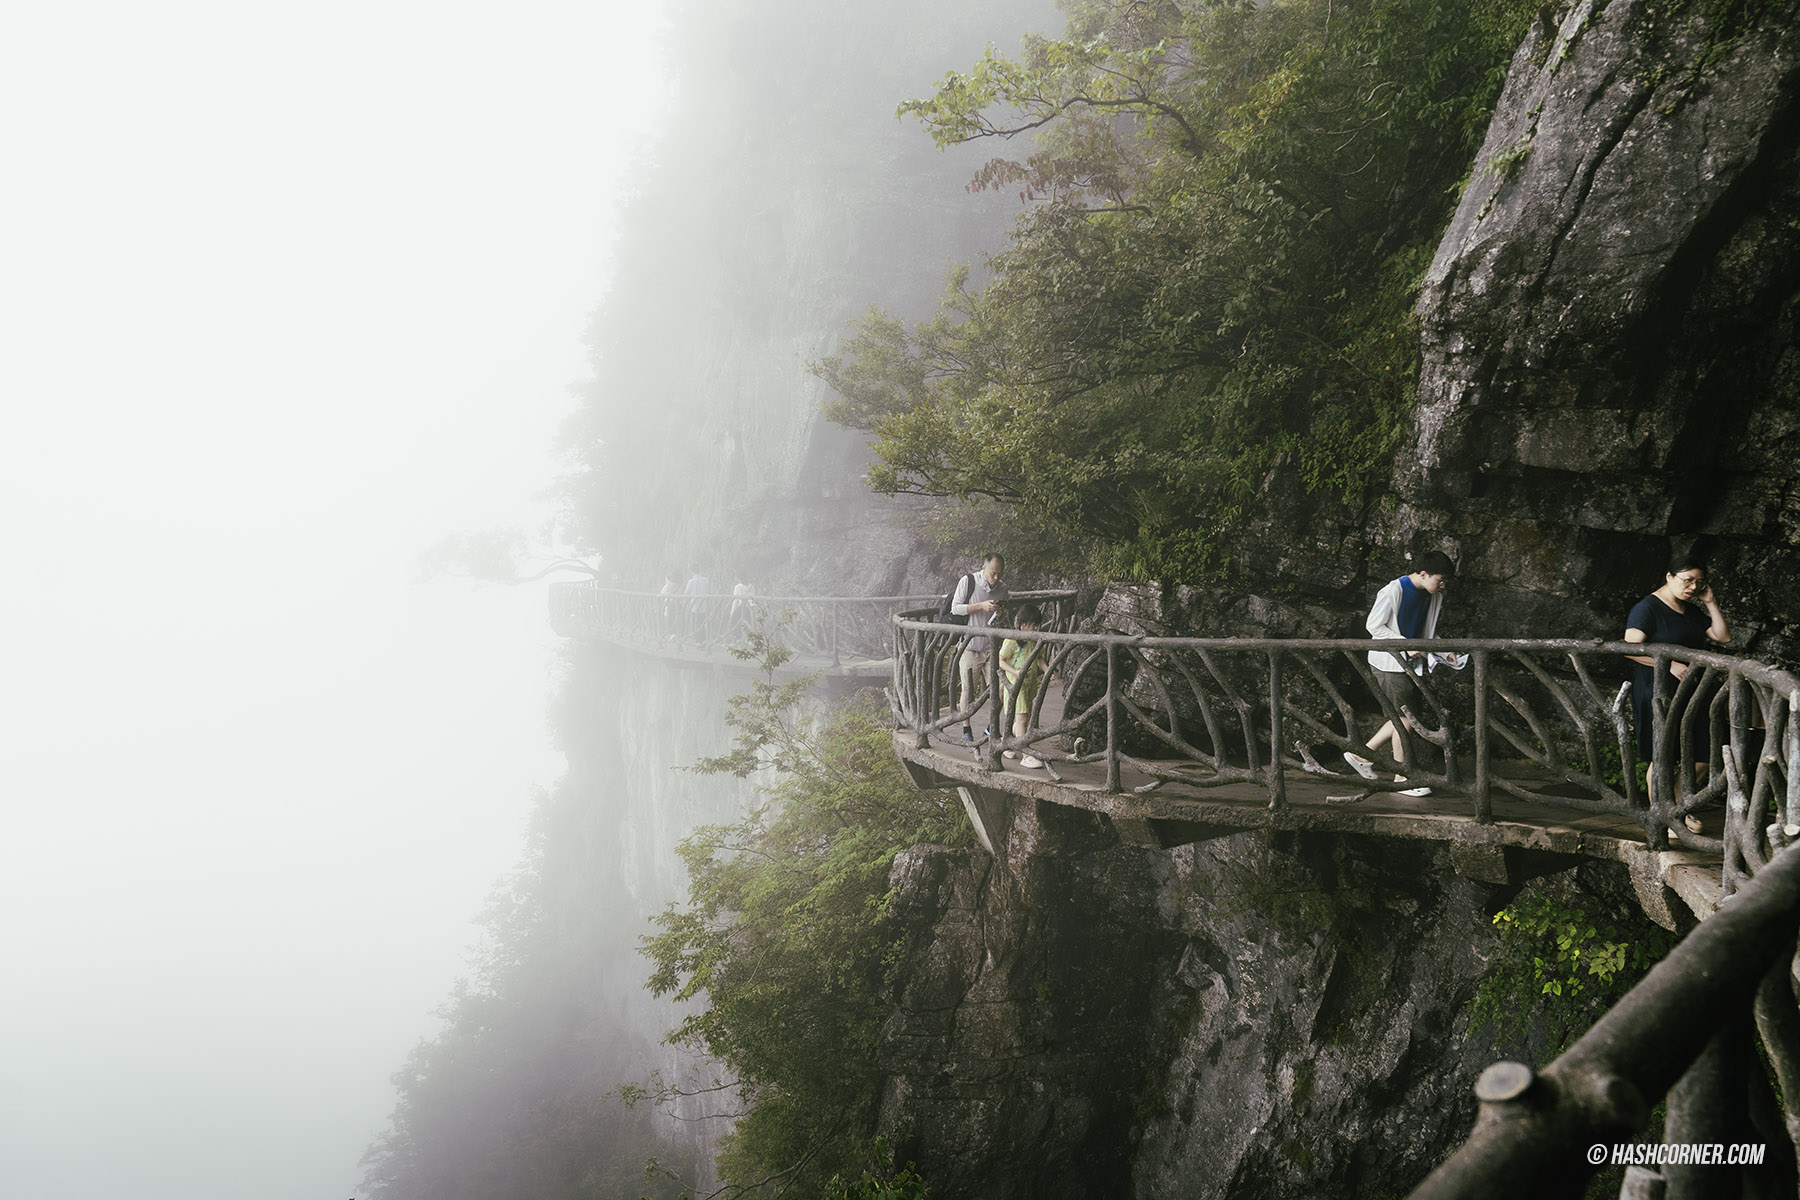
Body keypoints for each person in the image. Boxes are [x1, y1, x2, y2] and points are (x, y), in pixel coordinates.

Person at [1344, 551, 1458, 797]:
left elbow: (1427, 633)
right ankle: (1401, 777)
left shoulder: (1432, 595)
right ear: (1424, 574)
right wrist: (1406, 644)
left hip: (1408, 663)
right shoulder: (1394, 590)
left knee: (1402, 717)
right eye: (1440, 580)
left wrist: (1446, 651)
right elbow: (1373, 626)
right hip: (1389, 663)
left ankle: (1362, 755)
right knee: (1406, 718)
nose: (1443, 585)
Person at [1624, 554, 1731, 774]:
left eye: (1699, 582)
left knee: (1707, 754)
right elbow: (1628, 649)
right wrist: (1668, 664)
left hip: (1690, 689)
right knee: (1663, 756)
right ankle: (1661, 808)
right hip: (1656, 690)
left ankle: (1679, 806)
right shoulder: (1647, 608)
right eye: (1688, 580)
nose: (1693, 587)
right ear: (1669, 576)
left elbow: (1722, 636)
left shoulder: (1690, 610)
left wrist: (1710, 602)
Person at [952, 553, 1009, 743]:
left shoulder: (1002, 589)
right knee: (968, 689)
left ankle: (990, 728)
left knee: (1001, 688)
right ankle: (966, 728)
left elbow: (1004, 617)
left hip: (992, 648)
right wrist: (981, 606)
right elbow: (956, 608)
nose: (996, 578)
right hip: (969, 646)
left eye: (1000, 574)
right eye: (993, 573)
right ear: (983, 568)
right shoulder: (968, 581)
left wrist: (999, 613)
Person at [999, 604, 1047, 770]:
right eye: (1033, 625)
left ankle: (1008, 744)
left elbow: (1039, 658)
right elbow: (1001, 660)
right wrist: (1014, 672)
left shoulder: (1034, 640)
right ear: (1022, 624)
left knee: (1022, 717)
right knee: (1022, 719)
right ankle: (1026, 755)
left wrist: (1047, 671)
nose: (1036, 628)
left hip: (1029, 685)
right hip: (1015, 685)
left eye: (1037, 625)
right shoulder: (1012, 640)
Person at [683, 567, 711, 645]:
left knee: (696, 623)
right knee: (702, 623)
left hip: (695, 606)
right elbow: (708, 591)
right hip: (704, 605)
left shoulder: (691, 582)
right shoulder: (706, 580)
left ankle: (698, 641)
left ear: (691, 571)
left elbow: (686, 593)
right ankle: (704, 640)